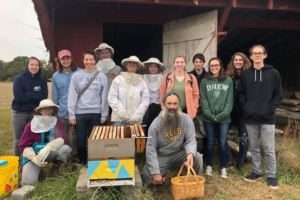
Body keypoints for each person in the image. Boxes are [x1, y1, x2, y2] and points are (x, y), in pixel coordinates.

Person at [238, 45, 283, 189]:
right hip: (250, 117)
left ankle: (271, 175)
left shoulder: (273, 73)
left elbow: (278, 95)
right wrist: (246, 107)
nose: (257, 55)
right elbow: (241, 93)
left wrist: (270, 109)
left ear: (265, 55)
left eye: (260, 53)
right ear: (250, 56)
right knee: (254, 147)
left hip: (267, 117)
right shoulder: (245, 74)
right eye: (254, 53)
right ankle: (256, 172)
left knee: (269, 148)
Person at [142, 92, 203, 184]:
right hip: (162, 156)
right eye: (169, 104)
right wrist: (155, 172)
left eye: (175, 104)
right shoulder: (156, 124)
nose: (172, 107)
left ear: (179, 104)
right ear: (164, 104)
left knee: (197, 158)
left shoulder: (186, 119)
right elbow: (151, 149)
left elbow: (191, 140)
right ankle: (162, 179)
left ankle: (195, 182)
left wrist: (190, 153)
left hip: (179, 154)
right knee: (147, 174)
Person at [68, 51, 109, 165]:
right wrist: (71, 114)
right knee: (81, 140)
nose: (89, 62)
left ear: (95, 61)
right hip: (80, 113)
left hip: (96, 113)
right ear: (83, 61)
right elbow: (72, 95)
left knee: (95, 140)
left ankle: (94, 162)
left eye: (91, 60)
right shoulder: (77, 76)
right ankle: (83, 162)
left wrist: (104, 115)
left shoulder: (101, 76)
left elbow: (104, 96)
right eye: (86, 59)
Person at [18, 99, 71, 185]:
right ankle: (36, 169)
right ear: (40, 111)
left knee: (65, 149)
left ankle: (55, 171)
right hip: (35, 155)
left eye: (50, 108)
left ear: (53, 110)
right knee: (28, 183)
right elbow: (23, 145)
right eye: (44, 108)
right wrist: (34, 158)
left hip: (50, 152)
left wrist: (49, 146)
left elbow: (64, 138)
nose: (47, 111)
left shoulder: (57, 122)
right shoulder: (30, 125)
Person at [200, 57, 233, 179]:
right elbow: (203, 100)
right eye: (211, 65)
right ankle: (209, 165)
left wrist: (219, 116)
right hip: (209, 118)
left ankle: (223, 167)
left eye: (216, 65)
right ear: (209, 67)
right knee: (209, 142)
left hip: (224, 118)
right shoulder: (205, 81)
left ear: (220, 66)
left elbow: (229, 101)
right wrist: (210, 115)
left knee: (222, 142)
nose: (214, 67)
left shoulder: (228, 80)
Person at [11, 57, 48, 156]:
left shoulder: (42, 81)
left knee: (32, 138)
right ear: (27, 66)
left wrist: (27, 93)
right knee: (18, 139)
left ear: (39, 67)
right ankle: (18, 163)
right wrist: (35, 96)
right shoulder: (19, 79)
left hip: (34, 113)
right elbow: (19, 98)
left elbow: (43, 97)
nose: (34, 67)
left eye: (37, 65)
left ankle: (30, 162)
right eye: (32, 64)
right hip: (19, 114)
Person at [225, 52, 251, 170]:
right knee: (220, 136)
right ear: (232, 62)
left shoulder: (250, 76)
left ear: (244, 61)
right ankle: (228, 159)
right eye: (236, 60)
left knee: (243, 138)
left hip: (243, 113)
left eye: (240, 60)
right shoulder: (228, 77)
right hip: (230, 112)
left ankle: (240, 162)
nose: (238, 62)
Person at [52, 50, 80, 156]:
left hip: (78, 110)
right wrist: (54, 111)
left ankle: (75, 156)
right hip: (62, 110)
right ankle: (63, 157)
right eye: (63, 59)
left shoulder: (80, 72)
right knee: (62, 136)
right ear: (59, 61)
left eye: (68, 58)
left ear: (71, 59)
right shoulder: (56, 76)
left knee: (77, 136)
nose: (66, 61)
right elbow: (55, 97)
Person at [108, 55, 149, 125]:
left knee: (135, 136)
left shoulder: (142, 82)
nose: (132, 65)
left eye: (134, 63)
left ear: (137, 66)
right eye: (130, 63)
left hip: (136, 120)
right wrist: (123, 115)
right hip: (119, 119)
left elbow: (145, 100)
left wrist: (136, 116)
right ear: (126, 65)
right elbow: (112, 98)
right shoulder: (118, 79)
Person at [159, 55, 199, 120]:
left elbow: (196, 95)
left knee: (185, 130)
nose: (179, 64)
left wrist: (194, 109)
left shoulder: (192, 78)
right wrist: (164, 108)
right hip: (171, 110)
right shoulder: (167, 77)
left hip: (187, 111)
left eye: (181, 62)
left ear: (185, 64)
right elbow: (162, 94)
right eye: (177, 62)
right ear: (174, 64)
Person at [143, 57, 165, 135]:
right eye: (151, 66)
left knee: (158, 127)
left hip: (158, 106)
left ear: (158, 68)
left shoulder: (162, 78)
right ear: (147, 67)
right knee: (146, 127)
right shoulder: (143, 78)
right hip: (146, 106)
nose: (153, 68)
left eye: (155, 67)